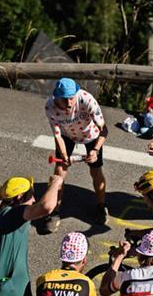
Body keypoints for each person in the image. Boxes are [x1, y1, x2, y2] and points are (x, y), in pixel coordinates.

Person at [44, 78, 109, 230]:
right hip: (67, 135)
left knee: (96, 170)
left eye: (71, 98)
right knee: (60, 171)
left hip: (91, 135)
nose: (68, 103)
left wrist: (95, 150)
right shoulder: (50, 106)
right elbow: (57, 135)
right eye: (64, 99)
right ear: (57, 96)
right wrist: (65, 155)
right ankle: (54, 210)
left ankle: (101, 205)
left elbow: (104, 130)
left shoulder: (86, 99)